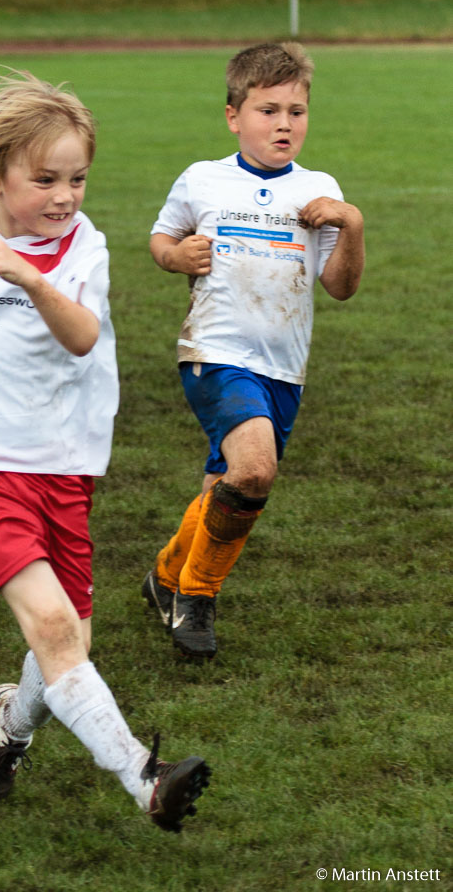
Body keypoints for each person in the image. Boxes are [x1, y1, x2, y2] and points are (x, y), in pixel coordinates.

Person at [0, 70, 210, 831]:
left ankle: (8, 726)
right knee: (50, 628)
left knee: (69, 641)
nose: (64, 195)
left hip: (61, 468)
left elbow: (81, 338)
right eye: (43, 179)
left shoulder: (84, 250)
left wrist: (28, 277)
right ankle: (145, 777)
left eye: (76, 178)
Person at [142, 42, 364, 660]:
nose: (284, 123)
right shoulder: (202, 179)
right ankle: (196, 596)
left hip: (284, 365)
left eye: (296, 110)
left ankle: (164, 576)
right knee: (256, 469)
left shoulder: (319, 189)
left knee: (230, 484)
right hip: (215, 352)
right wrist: (174, 256)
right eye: (268, 110)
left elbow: (341, 288)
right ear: (234, 116)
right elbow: (162, 239)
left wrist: (352, 225)